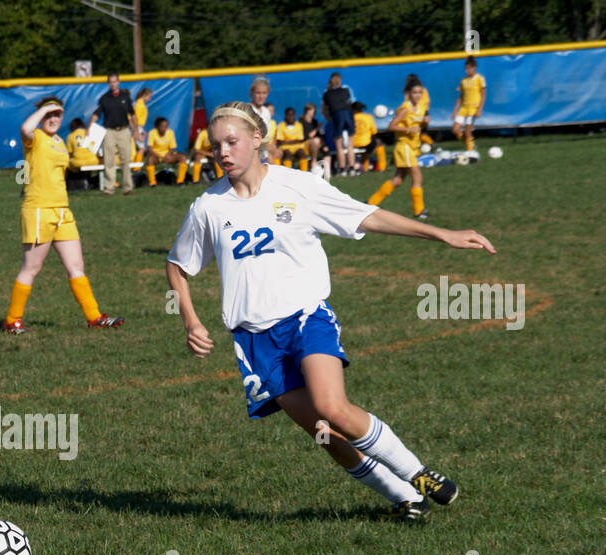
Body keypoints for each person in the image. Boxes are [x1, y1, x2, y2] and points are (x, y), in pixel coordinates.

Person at [166, 101, 495, 521]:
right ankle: (405, 498)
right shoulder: (208, 207)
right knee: (324, 435)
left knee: (332, 408)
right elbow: (178, 265)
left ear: (257, 139)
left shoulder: (297, 187)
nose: (224, 152)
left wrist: (442, 233)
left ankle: (418, 473)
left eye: (232, 142)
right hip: (254, 340)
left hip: (305, 318)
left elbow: (367, 217)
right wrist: (191, 321)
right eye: (216, 145)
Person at [5, 97, 124, 334]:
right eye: (48, 114)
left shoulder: (60, 141)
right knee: (32, 267)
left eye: (57, 114)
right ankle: (12, 320)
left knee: (76, 266)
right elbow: (25, 128)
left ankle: (94, 317)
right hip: (39, 209)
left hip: (62, 211)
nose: (52, 119)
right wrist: (45, 110)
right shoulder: (35, 137)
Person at [368, 80, 430, 219]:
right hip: (404, 147)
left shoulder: (421, 107)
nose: (418, 95)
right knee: (417, 177)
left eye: (420, 92)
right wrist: (407, 129)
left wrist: (424, 123)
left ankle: (370, 203)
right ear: (409, 94)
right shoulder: (405, 108)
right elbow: (391, 126)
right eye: (415, 92)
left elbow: (419, 126)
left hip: (413, 147)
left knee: (398, 180)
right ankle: (419, 211)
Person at [89, 73, 139, 196]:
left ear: (118, 82)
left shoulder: (125, 97)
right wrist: (89, 126)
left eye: (115, 81)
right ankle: (109, 188)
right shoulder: (105, 98)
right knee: (109, 161)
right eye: (110, 82)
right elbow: (97, 113)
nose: (113, 84)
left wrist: (136, 130)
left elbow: (132, 114)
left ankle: (127, 188)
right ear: (108, 83)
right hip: (109, 131)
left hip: (123, 130)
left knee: (125, 160)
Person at [321, 72, 355, 175]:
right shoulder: (346, 90)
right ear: (340, 80)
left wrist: (329, 119)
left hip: (336, 116)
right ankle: (352, 168)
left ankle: (342, 168)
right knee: (350, 145)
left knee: (339, 145)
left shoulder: (327, 93)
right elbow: (351, 103)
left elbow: (324, 110)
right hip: (348, 115)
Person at [451, 56, 487, 152]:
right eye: (466, 68)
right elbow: (461, 97)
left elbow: (483, 95)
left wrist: (479, 109)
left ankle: (470, 152)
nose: (467, 70)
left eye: (469, 68)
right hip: (463, 108)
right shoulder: (464, 81)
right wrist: (454, 111)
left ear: (474, 67)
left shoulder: (480, 79)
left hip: (473, 108)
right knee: (455, 130)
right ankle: (470, 143)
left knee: (467, 131)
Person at [144, 117, 189, 186]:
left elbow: (172, 147)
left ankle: (180, 181)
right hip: (157, 156)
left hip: (168, 155)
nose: (164, 128)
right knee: (150, 160)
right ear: (158, 126)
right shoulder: (152, 133)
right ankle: (152, 183)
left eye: (166, 126)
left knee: (183, 157)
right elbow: (150, 149)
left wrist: (167, 155)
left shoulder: (170, 132)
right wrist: (161, 157)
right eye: (162, 126)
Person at [248, 76, 278, 163]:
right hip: (250, 155)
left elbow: (267, 135)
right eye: (258, 93)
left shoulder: (266, 112)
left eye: (264, 93)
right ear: (252, 92)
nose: (261, 96)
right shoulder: (248, 109)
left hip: (264, 154)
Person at [65, 117, 101, 189]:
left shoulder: (70, 136)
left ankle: (70, 183)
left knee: (68, 163)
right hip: (92, 161)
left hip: (78, 162)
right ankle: (90, 180)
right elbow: (95, 150)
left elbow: (70, 153)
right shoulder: (89, 133)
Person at [351, 101, 386, 172]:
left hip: (352, 144)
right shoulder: (368, 117)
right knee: (379, 145)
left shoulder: (350, 118)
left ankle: (365, 168)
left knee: (364, 150)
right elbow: (374, 131)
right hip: (366, 143)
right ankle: (382, 167)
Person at [299, 102, 326, 175]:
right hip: (304, 144)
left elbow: (318, 135)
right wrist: (317, 128)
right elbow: (308, 136)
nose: (315, 113)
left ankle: (327, 170)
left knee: (323, 144)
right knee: (316, 141)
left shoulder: (314, 121)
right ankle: (314, 163)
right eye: (313, 111)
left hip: (315, 144)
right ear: (308, 110)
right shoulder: (301, 121)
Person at [132, 87, 153, 162]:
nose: (150, 99)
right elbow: (135, 119)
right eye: (150, 97)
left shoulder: (138, 103)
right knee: (142, 148)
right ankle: (136, 169)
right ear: (145, 95)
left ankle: (135, 168)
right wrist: (137, 132)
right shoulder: (139, 105)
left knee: (134, 148)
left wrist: (142, 130)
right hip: (136, 127)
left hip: (138, 127)